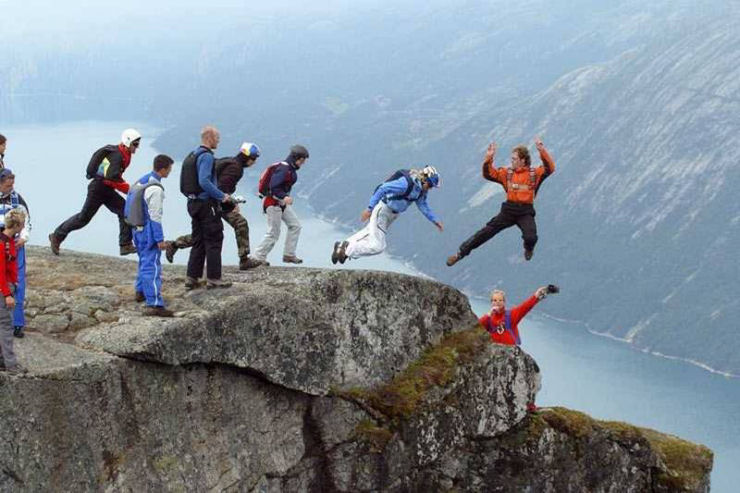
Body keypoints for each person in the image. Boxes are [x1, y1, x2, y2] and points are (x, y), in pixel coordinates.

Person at [447, 137, 555, 266]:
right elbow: (488, 174)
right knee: (485, 232)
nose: (512, 161)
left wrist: (542, 151)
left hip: (525, 212)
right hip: (508, 210)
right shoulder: (506, 173)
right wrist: (489, 158)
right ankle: (459, 254)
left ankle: (528, 248)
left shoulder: (534, 174)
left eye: (514, 159)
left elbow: (550, 168)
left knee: (531, 237)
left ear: (523, 160)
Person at [166, 142, 261, 270]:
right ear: (248, 158)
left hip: (206, 201)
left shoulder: (229, 161)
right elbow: (220, 187)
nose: (254, 162)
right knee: (240, 223)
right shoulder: (236, 168)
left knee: (203, 233)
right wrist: (231, 204)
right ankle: (244, 260)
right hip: (215, 203)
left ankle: (175, 244)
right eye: (254, 159)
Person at [49, 129, 142, 256]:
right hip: (98, 189)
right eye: (135, 144)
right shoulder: (117, 155)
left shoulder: (122, 153)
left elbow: (112, 178)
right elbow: (112, 178)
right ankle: (56, 236)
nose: (137, 147)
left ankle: (125, 245)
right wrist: (131, 191)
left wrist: (128, 190)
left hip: (106, 188)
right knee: (83, 218)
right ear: (127, 142)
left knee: (125, 211)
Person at [332, 166, 443, 264]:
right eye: (430, 185)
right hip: (383, 211)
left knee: (368, 232)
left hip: (392, 215)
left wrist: (434, 220)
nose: (430, 188)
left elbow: (423, 205)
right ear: (424, 179)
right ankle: (348, 250)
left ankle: (342, 246)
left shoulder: (421, 190)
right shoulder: (405, 184)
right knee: (378, 246)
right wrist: (370, 208)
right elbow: (383, 188)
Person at [479, 284, 558, 412]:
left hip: (512, 355)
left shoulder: (511, 315)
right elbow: (476, 327)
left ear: (504, 302)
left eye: (500, 300)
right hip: (496, 356)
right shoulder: (488, 319)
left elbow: (525, 307)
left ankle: (529, 405)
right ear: (491, 302)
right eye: (494, 300)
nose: (497, 303)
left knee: (526, 377)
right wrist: (488, 315)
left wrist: (538, 294)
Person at [182, 126, 233, 290]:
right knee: (214, 238)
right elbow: (204, 181)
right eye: (217, 137)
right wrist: (221, 196)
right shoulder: (207, 157)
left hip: (193, 203)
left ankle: (192, 277)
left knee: (198, 240)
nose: (219, 140)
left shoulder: (193, 154)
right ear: (209, 137)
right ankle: (214, 278)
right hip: (206, 205)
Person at [128, 155, 175, 317]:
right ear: (163, 169)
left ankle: (140, 291)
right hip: (147, 230)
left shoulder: (142, 180)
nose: (170, 171)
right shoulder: (155, 189)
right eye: (169, 168)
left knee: (143, 261)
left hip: (136, 229)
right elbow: (155, 215)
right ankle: (154, 303)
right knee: (152, 265)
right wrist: (160, 239)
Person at [249, 144, 309, 266]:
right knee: (274, 232)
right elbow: (273, 187)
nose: (302, 163)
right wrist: (285, 197)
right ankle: (257, 257)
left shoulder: (289, 170)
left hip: (280, 203)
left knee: (295, 225)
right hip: (272, 203)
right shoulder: (284, 169)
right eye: (301, 160)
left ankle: (289, 254)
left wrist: (283, 198)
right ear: (295, 158)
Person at [0, 169, 31, 338]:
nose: (11, 185)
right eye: (7, 182)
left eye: (12, 181)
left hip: (16, 245)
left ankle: (17, 323)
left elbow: (27, 221)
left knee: (17, 282)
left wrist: (24, 238)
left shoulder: (17, 199)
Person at [0, 208, 27, 374]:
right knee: (6, 325)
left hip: (10, 285)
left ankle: (3, 360)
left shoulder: (10, 241)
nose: (23, 227)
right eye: (22, 224)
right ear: (16, 225)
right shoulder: (2, 243)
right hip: (4, 289)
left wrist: (15, 283)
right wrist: (7, 294)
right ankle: (11, 365)